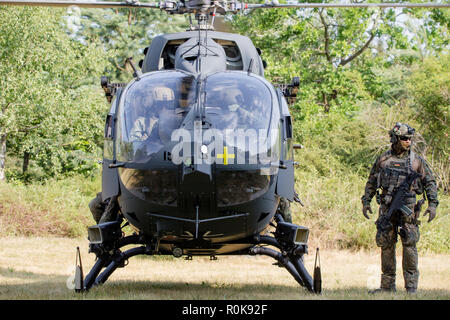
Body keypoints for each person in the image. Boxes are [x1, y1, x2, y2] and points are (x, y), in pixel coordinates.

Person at [361, 122, 439, 294]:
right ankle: (387, 286)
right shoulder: (383, 160)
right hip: (387, 208)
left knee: (409, 244)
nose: (408, 142)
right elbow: (372, 181)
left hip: (409, 209)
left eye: (410, 139)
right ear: (395, 139)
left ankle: (411, 287)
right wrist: (366, 201)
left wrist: (432, 205)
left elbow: (430, 183)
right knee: (386, 245)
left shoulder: (416, 161)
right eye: (404, 138)